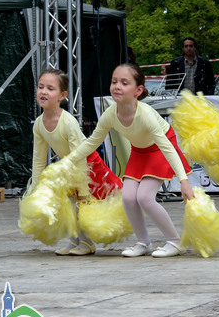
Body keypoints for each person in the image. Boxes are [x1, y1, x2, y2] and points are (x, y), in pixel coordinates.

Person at [67, 63, 195, 257]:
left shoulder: (145, 115)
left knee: (144, 197)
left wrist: (184, 181)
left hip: (161, 147)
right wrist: (69, 161)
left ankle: (175, 241)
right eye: (114, 82)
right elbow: (92, 142)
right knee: (127, 197)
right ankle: (144, 242)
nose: (117, 86)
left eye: (124, 83)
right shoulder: (110, 114)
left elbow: (167, 147)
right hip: (139, 150)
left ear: (138, 90)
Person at [32, 68, 123, 256]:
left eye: (50, 88)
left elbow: (80, 157)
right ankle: (74, 240)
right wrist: (35, 187)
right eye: (41, 87)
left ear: (62, 96)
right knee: (67, 204)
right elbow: (38, 159)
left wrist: (83, 190)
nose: (43, 92)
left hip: (88, 165)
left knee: (85, 204)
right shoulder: (39, 124)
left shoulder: (68, 122)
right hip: (68, 166)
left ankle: (87, 243)